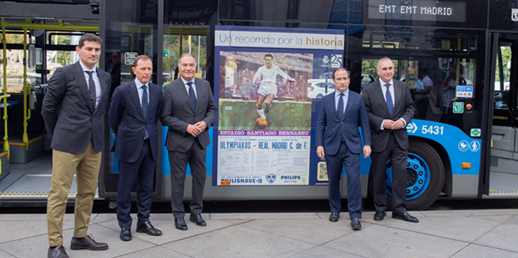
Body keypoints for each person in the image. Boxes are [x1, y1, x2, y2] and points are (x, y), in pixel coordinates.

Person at [42, 33, 110, 258]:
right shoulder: (64, 73)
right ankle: (55, 245)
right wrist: (59, 133)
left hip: (93, 143)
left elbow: (99, 111)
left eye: (97, 50)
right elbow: (48, 108)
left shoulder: (104, 76)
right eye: (89, 49)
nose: (93, 53)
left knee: (88, 192)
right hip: (66, 143)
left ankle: (80, 236)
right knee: (59, 193)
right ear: (78, 50)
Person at [109, 55, 163, 241]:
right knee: (125, 187)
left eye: (149, 68)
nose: (147, 72)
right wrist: (129, 134)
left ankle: (143, 221)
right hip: (129, 145)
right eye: (143, 68)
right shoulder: (122, 91)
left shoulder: (157, 91)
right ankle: (125, 224)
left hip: (149, 145)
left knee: (146, 187)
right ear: (134, 70)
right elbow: (113, 119)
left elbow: (155, 117)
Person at [160, 53, 217, 231]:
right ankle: (178, 215)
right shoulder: (169, 89)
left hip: (200, 141)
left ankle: (196, 212)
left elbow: (212, 109)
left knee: (199, 178)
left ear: (196, 67)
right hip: (179, 142)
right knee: (178, 180)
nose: (188, 68)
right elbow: (165, 117)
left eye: (191, 65)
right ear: (179, 67)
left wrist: (205, 122)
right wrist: (186, 127)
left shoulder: (205, 85)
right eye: (184, 65)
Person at [362, 57, 419, 223]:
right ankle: (380, 209)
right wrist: (381, 123)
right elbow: (365, 113)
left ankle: (399, 210)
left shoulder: (402, 86)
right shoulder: (369, 89)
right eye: (384, 69)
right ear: (378, 71)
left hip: (399, 138)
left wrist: (403, 121)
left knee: (400, 176)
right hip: (380, 138)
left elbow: (410, 108)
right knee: (379, 176)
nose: (388, 72)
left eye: (391, 68)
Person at [315, 68, 371, 230]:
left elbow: (365, 123)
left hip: (352, 146)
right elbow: (320, 124)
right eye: (339, 79)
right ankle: (335, 210)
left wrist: (367, 143)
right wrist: (319, 144)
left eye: (345, 78)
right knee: (333, 180)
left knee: (354, 181)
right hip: (332, 146)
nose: (342, 82)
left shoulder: (358, 99)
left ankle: (355, 215)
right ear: (333, 81)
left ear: (349, 80)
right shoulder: (326, 100)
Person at [252, 53, 295, 119]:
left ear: (272, 60)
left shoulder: (276, 68)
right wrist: (254, 82)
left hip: (271, 88)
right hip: (263, 88)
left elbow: (284, 74)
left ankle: (268, 106)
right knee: (258, 105)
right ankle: (263, 117)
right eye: (266, 60)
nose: (268, 61)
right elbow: (255, 78)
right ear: (264, 60)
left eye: (269, 60)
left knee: (267, 102)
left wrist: (291, 79)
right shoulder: (261, 69)